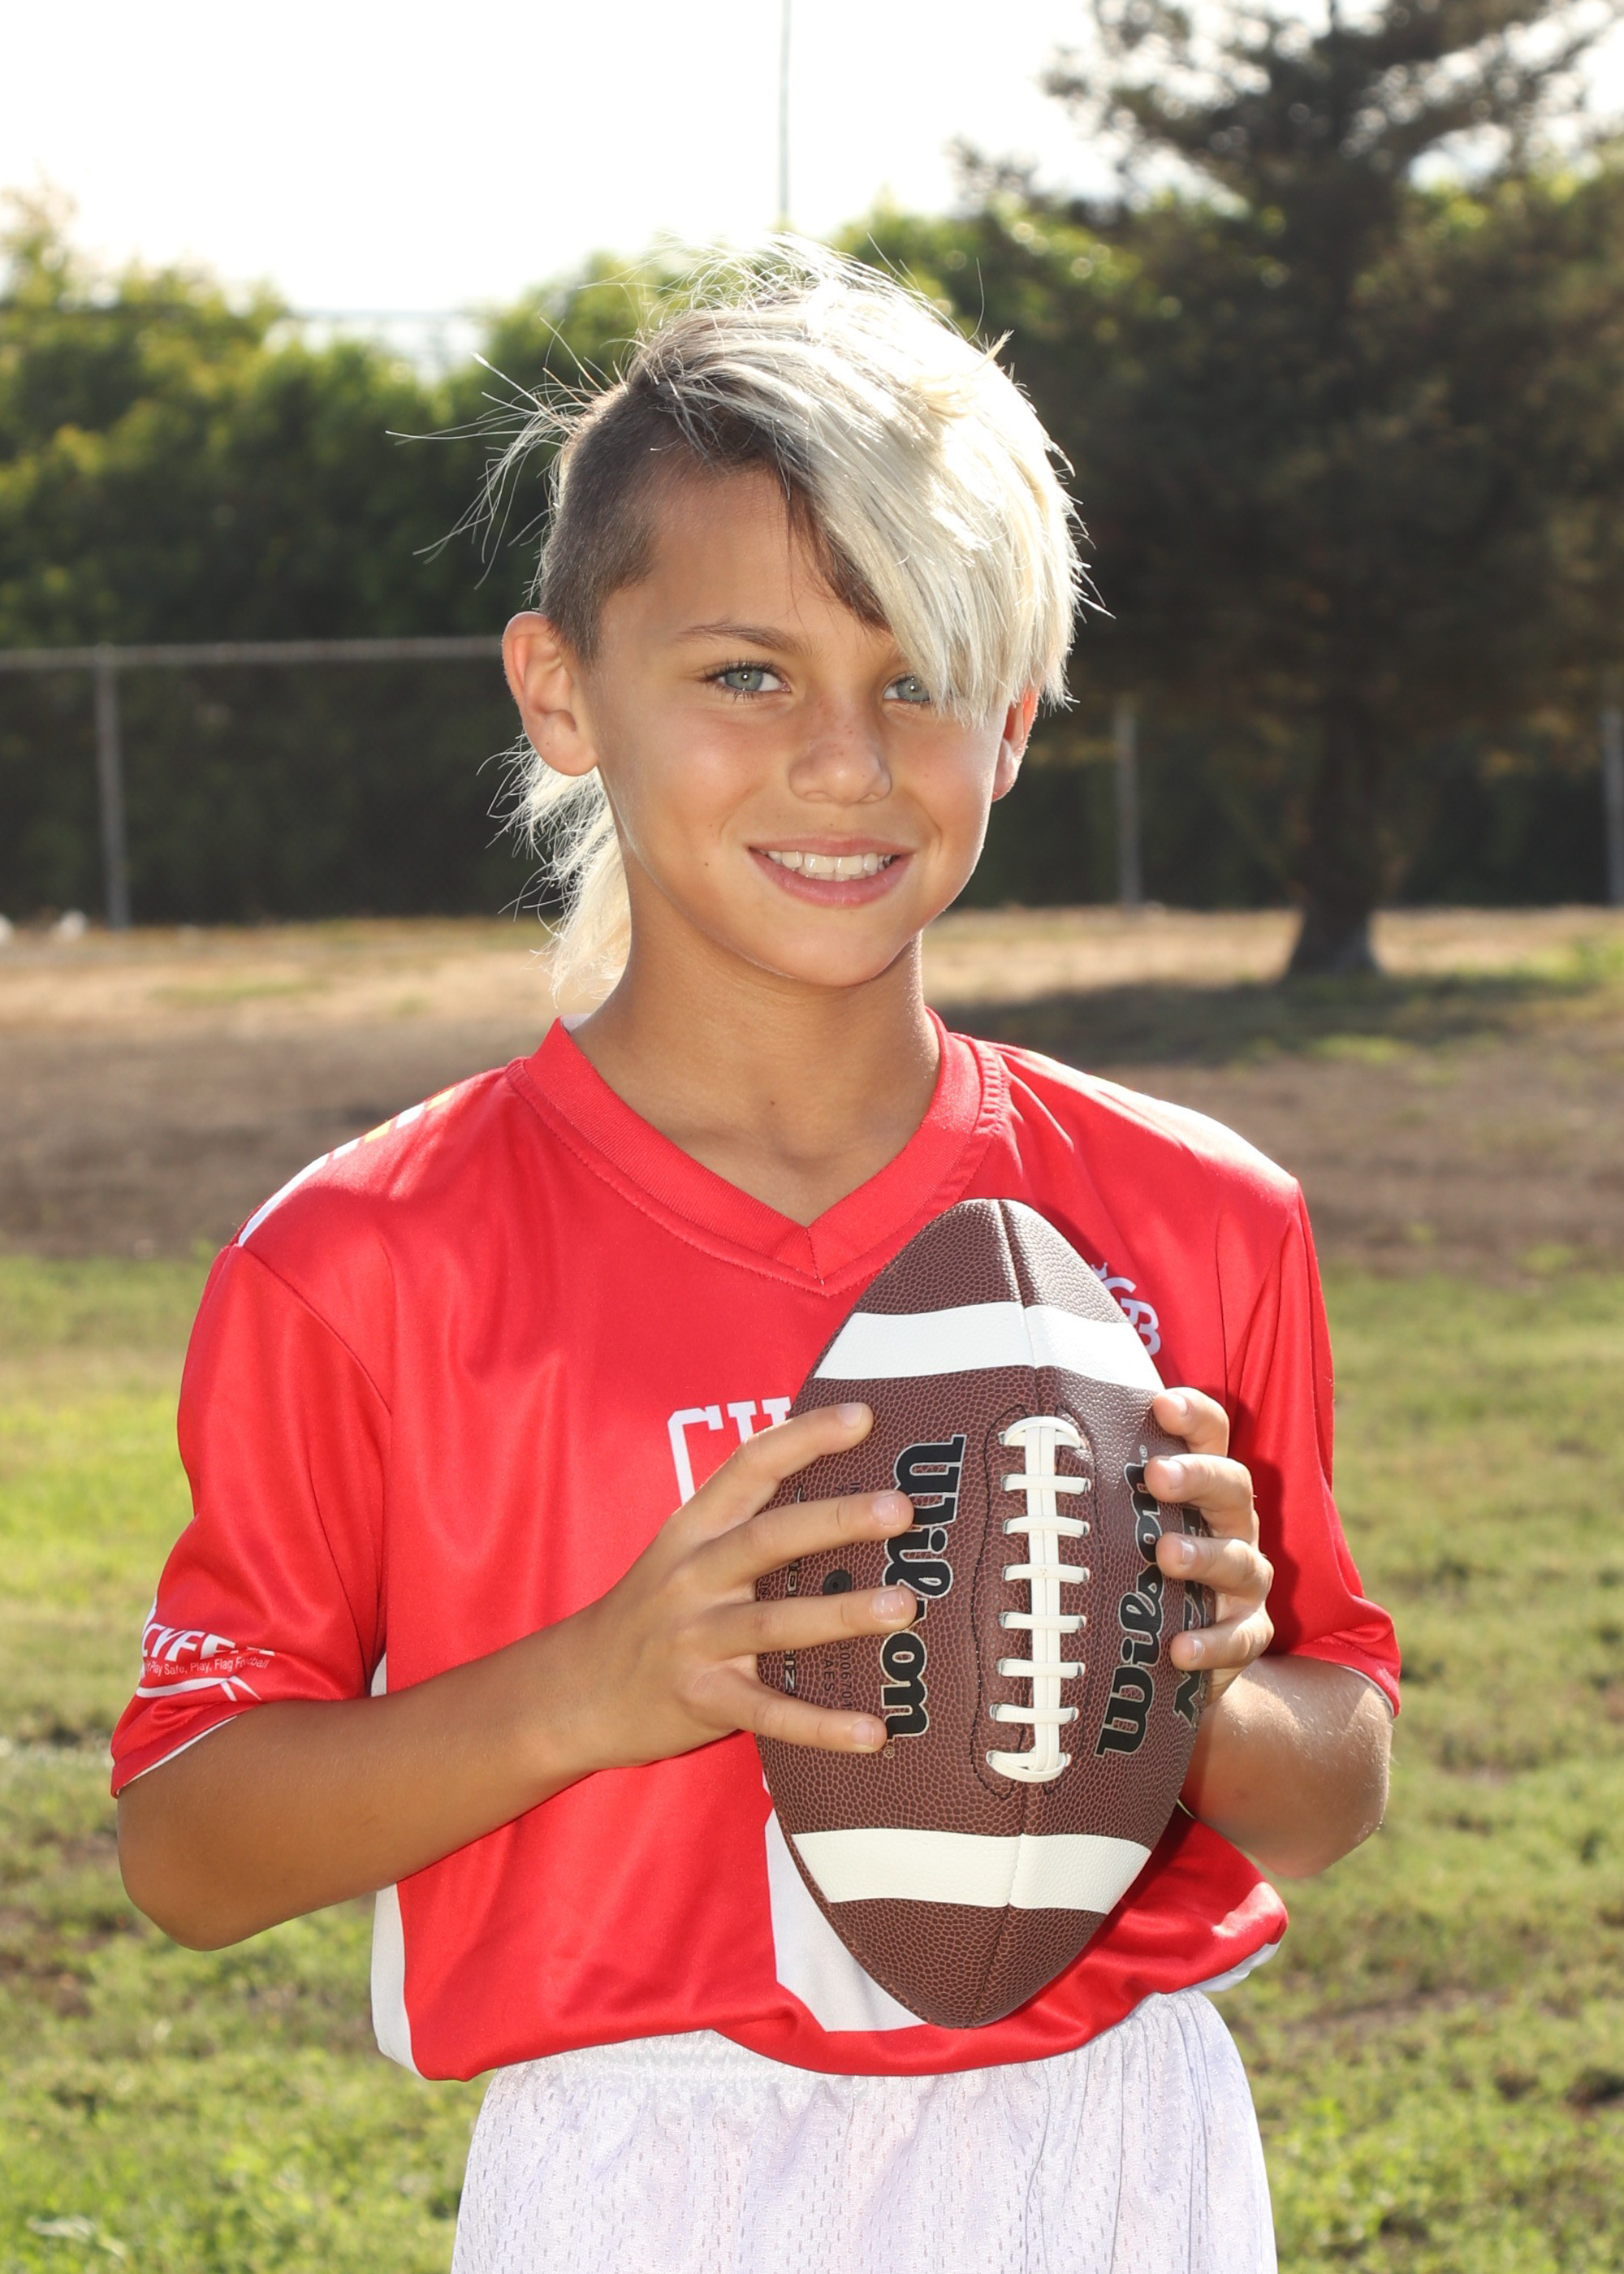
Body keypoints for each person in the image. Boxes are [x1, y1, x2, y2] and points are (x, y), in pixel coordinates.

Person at [114, 252, 1397, 2274]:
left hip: (1116, 2156)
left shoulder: (1196, 1212)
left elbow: (1330, 1787)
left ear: (1014, 721)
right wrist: (590, 1685)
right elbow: (188, 1847)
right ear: (559, 688)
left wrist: (1198, 1690)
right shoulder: (365, 1260)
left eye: (920, 676)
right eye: (745, 673)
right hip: (647, 2178)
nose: (845, 757)